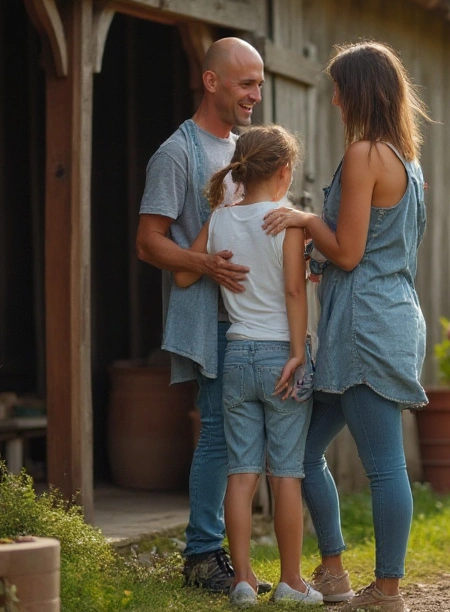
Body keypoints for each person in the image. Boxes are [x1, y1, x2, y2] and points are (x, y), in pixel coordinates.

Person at [262, 41, 431, 612]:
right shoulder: (408, 161)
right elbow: (368, 249)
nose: (332, 99)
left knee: (383, 465)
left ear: (357, 90)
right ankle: (332, 571)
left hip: (365, 325)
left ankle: (386, 591)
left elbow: (352, 253)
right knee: (302, 450)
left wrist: (308, 219)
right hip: (385, 314)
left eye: (337, 87)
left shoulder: (365, 154)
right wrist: (321, 253)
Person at [175, 125, 322, 607]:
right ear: (283, 173)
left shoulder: (220, 219)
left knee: (240, 474)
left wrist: (214, 262)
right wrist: (299, 351)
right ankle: (292, 582)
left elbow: (181, 273)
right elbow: (295, 292)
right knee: (286, 474)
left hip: (234, 355)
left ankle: (241, 580)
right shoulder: (287, 221)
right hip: (282, 356)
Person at [136, 37, 263, 592]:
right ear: (211, 82)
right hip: (209, 319)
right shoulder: (177, 152)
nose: (255, 94)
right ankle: (202, 555)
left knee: (239, 434)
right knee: (218, 432)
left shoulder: (243, 149)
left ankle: (229, 556)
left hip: (251, 316)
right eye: (245, 83)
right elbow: (148, 242)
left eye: (259, 83)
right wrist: (204, 264)